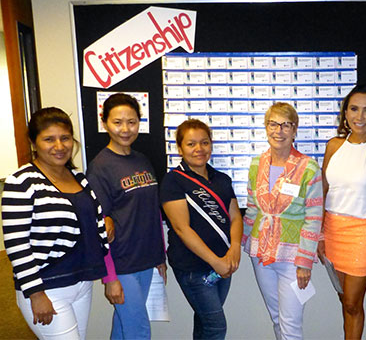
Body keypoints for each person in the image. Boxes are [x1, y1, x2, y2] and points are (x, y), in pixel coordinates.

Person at [1, 107, 123, 340]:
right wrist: (36, 293)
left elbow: (88, 216)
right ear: (34, 142)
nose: (59, 146)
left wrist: (105, 221)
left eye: (65, 138)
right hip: (46, 286)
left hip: (80, 282)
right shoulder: (22, 182)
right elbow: (17, 245)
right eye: (49, 139)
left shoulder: (78, 177)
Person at [317, 84, 366, 339]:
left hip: (365, 233)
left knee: (353, 303)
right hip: (331, 231)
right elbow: (323, 191)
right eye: (354, 109)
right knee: (344, 300)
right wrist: (318, 234)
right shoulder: (333, 146)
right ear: (345, 112)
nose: (359, 117)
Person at [87, 93, 166, 340]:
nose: (125, 129)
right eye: (117, 122)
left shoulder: (141, 160)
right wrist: (109, 277)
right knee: (138, 331)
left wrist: (160, 254)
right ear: (104, 123)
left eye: (131, 122)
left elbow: (152, 211)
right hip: (121, 262)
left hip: (145, 258)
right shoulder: (100, 166)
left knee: (124, 328)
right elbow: (98, 225)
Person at [242, 102, 323, 340]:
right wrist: (242, 243)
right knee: (277, 318)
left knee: (290, 325)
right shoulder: (257, 164)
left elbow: (314, 217)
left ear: (295, 130)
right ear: (266, 128)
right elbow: (252, 207)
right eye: (273, 124)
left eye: (286, 125)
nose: (279, 130)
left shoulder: (308, 167)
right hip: (261, 254)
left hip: (292, 258)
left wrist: (305, 262)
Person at [160, 118, 243, 340]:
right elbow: (181, 228)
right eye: (191, 144)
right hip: (193, 267)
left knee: (205, 323)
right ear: (180, 148)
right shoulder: (173, 181)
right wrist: (214, 261)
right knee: (216, 327)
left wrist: (235, 248)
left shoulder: (222, 179)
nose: (199, 149)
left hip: (224, 263)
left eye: (204, 142)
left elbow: (235, 216)